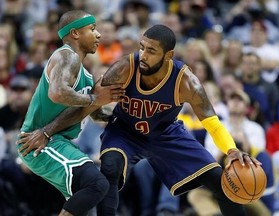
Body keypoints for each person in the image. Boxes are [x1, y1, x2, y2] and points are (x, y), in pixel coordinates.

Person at [18, 25, 261, 216]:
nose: (143, 55)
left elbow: (212, 122)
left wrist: (230, 149)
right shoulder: (125, 67)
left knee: (222, 181)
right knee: (110, 168)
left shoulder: (186, 82)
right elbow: (91, 102)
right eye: (142, 47)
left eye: (151, 51)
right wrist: (47, 132)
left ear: (169, 55)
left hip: (165, 134)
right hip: (125, 131)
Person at [16, 10, 125, 216]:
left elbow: (91, 113)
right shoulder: (67, 55)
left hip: (58, 141)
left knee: (90, 202)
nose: (99, 35)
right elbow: (57, 93)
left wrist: (121, 112)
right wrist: (95, 98)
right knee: (97, 184)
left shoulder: (86, 76)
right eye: (92, 29)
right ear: (75, 33)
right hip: (39, 140)